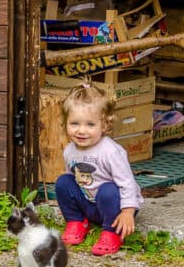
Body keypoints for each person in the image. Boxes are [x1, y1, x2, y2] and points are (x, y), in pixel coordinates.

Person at [54, 80, 144, 256]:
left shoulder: (110, 152)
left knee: (108, 190)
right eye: (74, 124)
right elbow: (74, 181)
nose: (81, 131)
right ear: (65, 123)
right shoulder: (70, 150)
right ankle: (77, 222)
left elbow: (127, 184)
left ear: (104, 125)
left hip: (115, 206)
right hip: (89, 203)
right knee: (63, 182)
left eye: (90, 124)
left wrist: (127, 211)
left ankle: (112, 232)